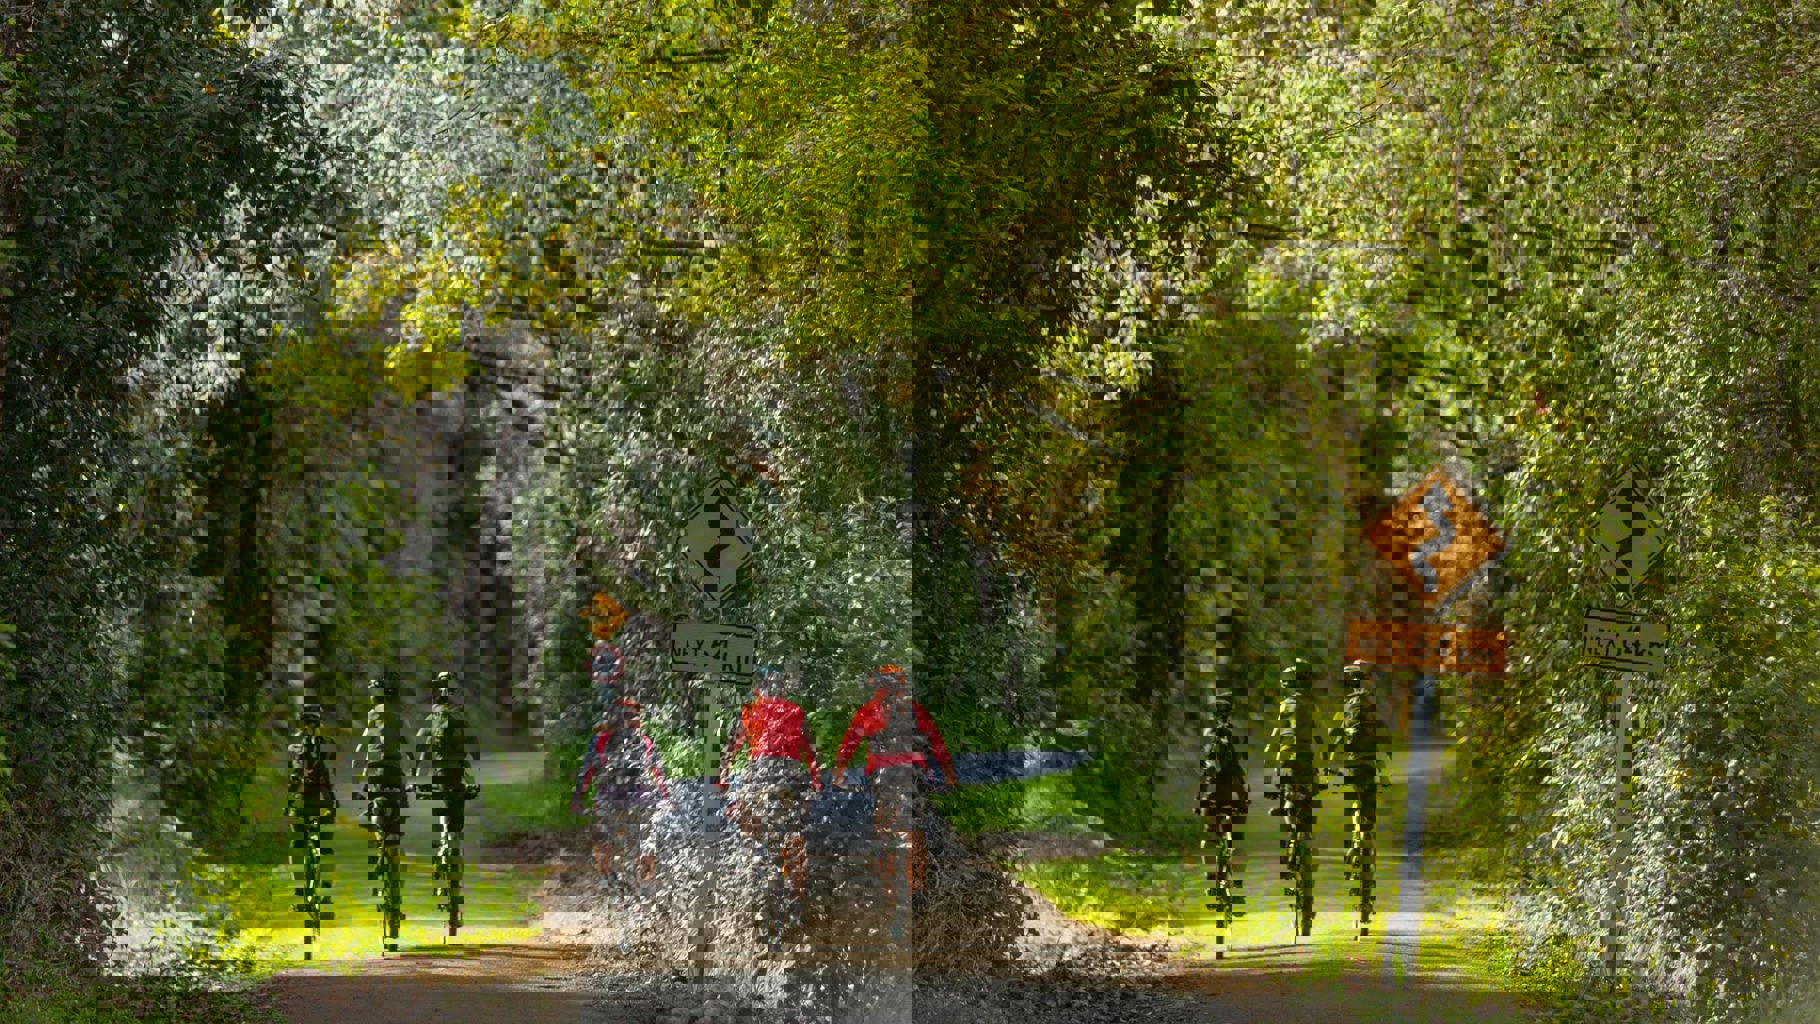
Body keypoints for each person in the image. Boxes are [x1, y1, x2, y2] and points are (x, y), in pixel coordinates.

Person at [832, 665, 959, 897]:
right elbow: (936, 742)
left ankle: (889, 881)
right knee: (916, 825)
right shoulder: (914, 710)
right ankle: (918, 880)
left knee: (882, 825)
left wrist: (839, 772)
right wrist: (949, 774)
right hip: (913, 775)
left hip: (885, 777)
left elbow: (849, 743)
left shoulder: (870, 711)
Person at [717, 664, 822, 907]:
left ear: (757, 687)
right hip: (792, 774)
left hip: (761, 771)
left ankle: (754, 853)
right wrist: (817, 781)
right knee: (795, 830)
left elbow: (731, 748)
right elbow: (813, 750)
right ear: (781, 686)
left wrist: (722, 778)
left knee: (743, 815)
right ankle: (799, 893)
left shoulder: (750, 710)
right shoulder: (796, 710)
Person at [574, 637, 668, 887]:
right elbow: (587, 769)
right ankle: (609, 877)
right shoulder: (604, 737)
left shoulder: (642, 741)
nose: (631, 720)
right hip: (614, 794)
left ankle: (642, 882)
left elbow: (656, 771)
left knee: (643, 840)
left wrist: (665, 798)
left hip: (635, 796)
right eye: (628, 715)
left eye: (634, 715)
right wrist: (579, 795)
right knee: (605, 835)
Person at [413, 674, 481, 937]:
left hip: (439, 785)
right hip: (456, 786)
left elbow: (421, 756)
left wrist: (417, 781)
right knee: (455, 830)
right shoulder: (461, 719)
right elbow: (471, 757)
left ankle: (443, 862)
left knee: (444, 830)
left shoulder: (430, 722)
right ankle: (452, 877)